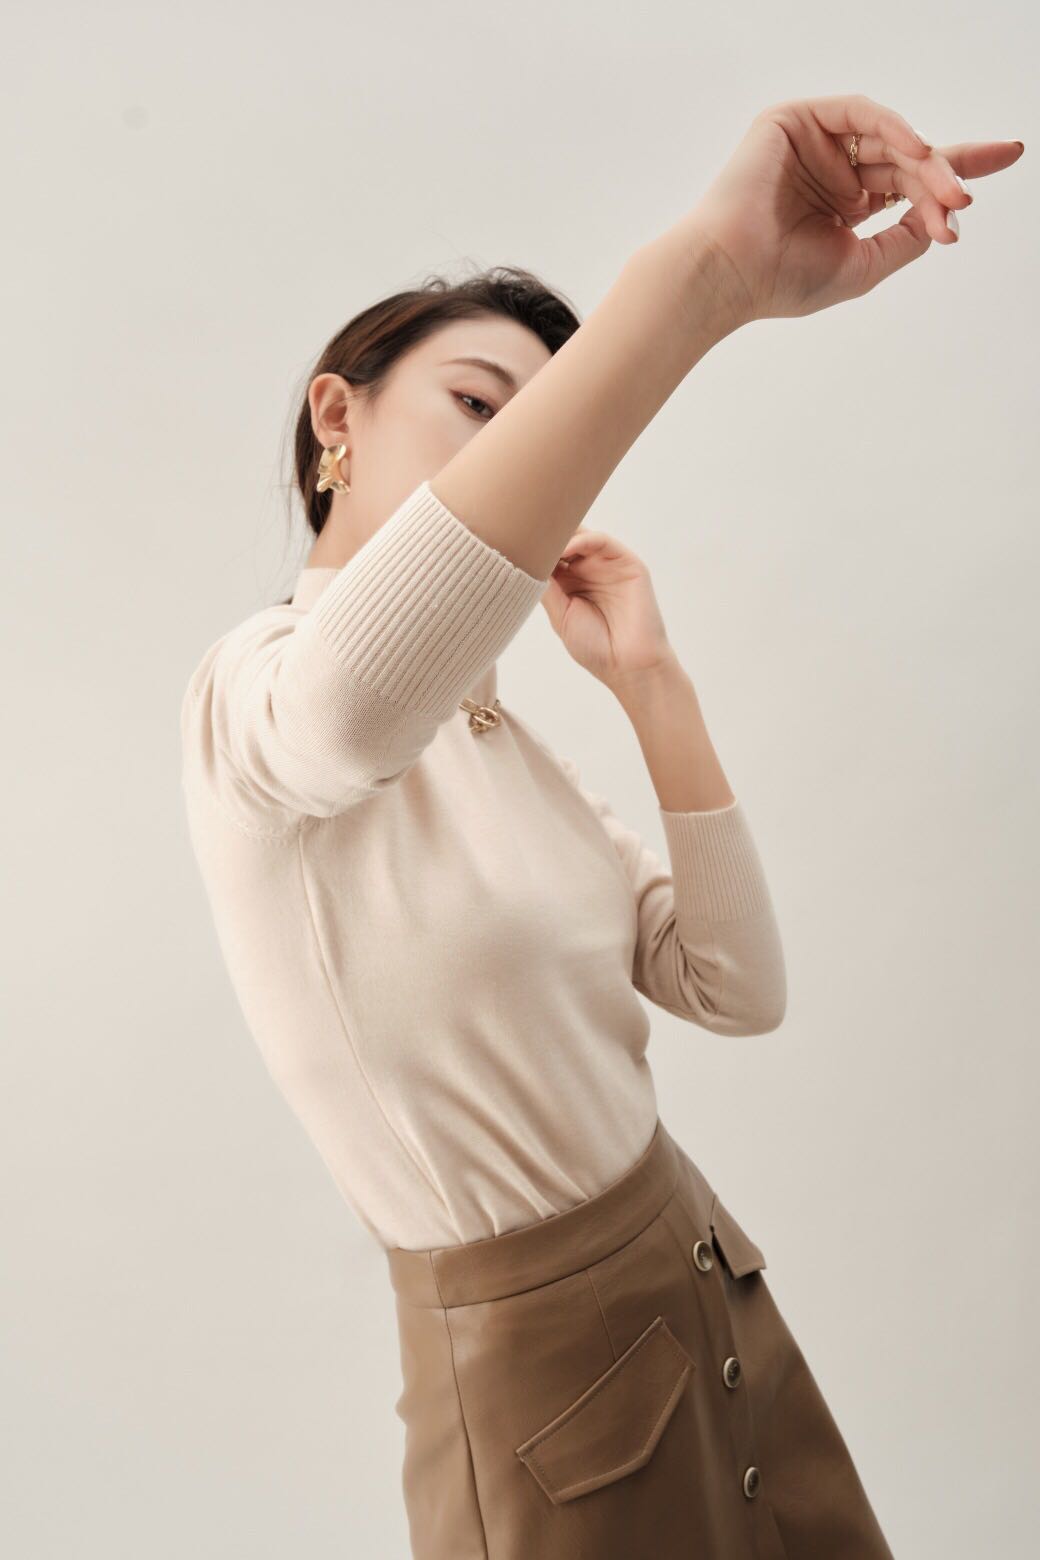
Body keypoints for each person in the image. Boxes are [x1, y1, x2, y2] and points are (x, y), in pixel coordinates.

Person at [180, 93, 1023, 1558]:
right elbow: (351, 707)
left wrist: (651, 684)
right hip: (554, 1388)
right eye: (480, 406)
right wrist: (699, 283)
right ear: (338, 418)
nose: (525, 449)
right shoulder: (252, 696)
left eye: (546, 426)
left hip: (699, 1280)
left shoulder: (505, 750)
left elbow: (734, 988)